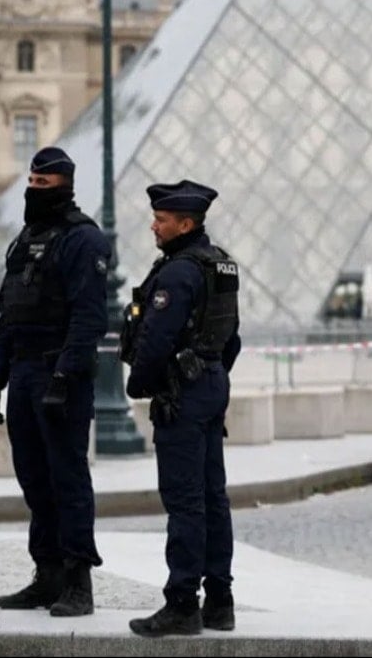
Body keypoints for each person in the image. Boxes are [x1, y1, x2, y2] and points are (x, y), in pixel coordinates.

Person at [0, 147, 110, 617]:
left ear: (64, 187)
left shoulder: (84, 240)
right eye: (30, 184)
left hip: (60, 373)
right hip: (23, 371)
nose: (33, 192)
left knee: (68, 478)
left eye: (43, 186)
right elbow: (8, 313)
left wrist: (64, 376)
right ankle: (47, 573)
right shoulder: (24, 240)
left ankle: (78, 580)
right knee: (34, 479)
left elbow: (89, 318)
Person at [119, 180, 241, 638]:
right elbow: (233, 336)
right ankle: (220, 601)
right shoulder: (221, 265)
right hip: (210, 384)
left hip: (182, 394)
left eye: (162, 219)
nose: (154, 225)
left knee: (185, 501)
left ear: (185, 224)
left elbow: (155, 340)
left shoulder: (177, 272)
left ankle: (182, 603)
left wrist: (142, 383)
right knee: (214, 497)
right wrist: (211, 372)